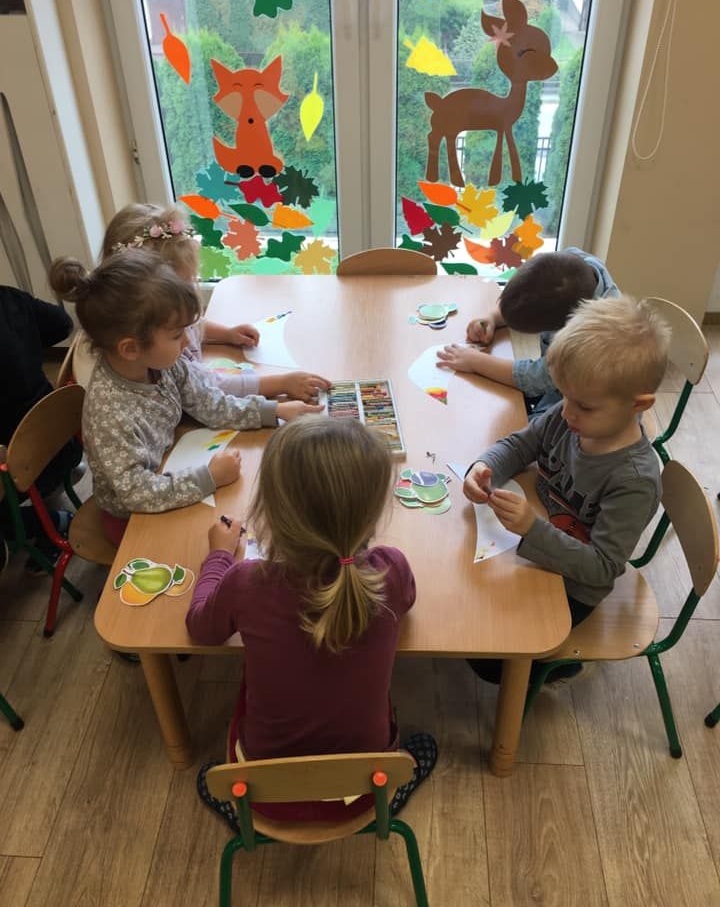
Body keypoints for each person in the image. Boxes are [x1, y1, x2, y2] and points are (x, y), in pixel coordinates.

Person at [187, 416, 437, 826]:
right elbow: (406, 601)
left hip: (262, 794)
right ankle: (393, 797)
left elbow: (200, 628)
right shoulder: (390, 570)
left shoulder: (247, 582)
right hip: (368, 790)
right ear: (373, 513)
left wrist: (217, 556)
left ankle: (238, 809)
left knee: (225, 751)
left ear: (271, 511)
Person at [462, 296, 670, 684]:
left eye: (585, 406)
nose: (567, 411)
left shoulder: (635, 481)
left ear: (637, 405)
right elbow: (521, 444)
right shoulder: (569, 416)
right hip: (537, 540)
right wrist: (485, 466)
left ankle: (559, 666)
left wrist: (532, 529)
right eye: (564, 396)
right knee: (467, 606)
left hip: (574, 586)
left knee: (490, 660)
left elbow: (602, 568)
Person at [50, 249, 321, 546]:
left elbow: (210, 404)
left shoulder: (162, 362)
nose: (189, 341)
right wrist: (209, 477)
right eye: (177, 334)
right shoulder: (110, 413)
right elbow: (136, 494)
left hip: (171, 466)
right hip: (131, 519)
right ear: (130, 349)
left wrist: (275, 410)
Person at [96, 202, 330, 402]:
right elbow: (209, 387)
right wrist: (281, 383)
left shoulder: (160, 323)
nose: (190, 293)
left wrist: (226, 334)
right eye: (183, 286)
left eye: (191, 281)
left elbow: (192, 325)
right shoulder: (155, 352)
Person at [437, 247, 619, 418]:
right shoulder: (572, 265)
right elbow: (532, 294)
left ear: (563, 328)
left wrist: (475, 361)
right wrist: (493, 318)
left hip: (582, 407)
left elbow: (535, 379)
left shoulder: (591, 339)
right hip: (558, 382)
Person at [0, 286, 81, 567]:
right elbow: (62, 324)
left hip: (29, 467)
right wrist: (27, 344)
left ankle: (51, 523)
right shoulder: (8, 297)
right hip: (63, 443)